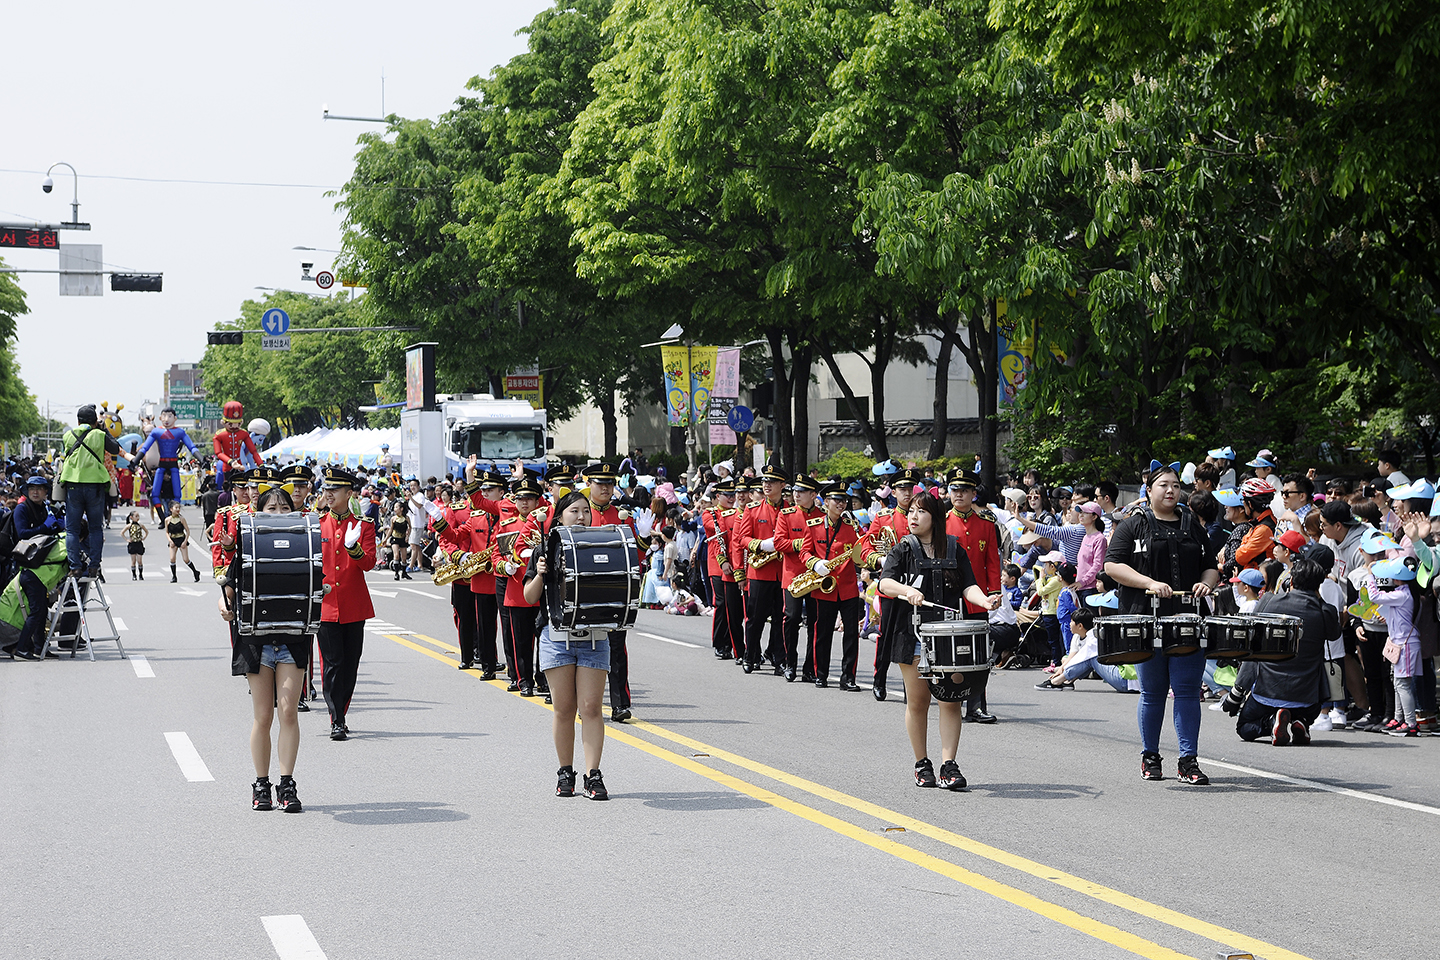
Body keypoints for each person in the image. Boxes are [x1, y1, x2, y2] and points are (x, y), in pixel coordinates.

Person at [1104, 462, 1220, 784]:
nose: (1171, 491)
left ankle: (1188, 761)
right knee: (1153, 692)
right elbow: (1112, 565)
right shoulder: (1132, 525)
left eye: (1175, 486)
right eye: (1163, 485)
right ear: (1149, 490)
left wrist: (1206, 584)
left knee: (1186, 691)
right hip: (1146, 620)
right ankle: (1150, 756)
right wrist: (1148, 582)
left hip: (1187, 619)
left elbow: (1211, 566)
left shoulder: (1191, 524)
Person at [878, 492, 1002, 790]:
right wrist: (906, 590)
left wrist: (984, 601)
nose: (913, 517)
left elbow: (969, 586)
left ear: (934, 516)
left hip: (948, 637)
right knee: (918, 702)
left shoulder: (955, 549)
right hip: (914, 635)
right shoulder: (903, 548)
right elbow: (884, 582)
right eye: (911, 512)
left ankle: (949, 765)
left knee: (950, 700)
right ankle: (922, 764)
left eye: (921, 512)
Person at [219, 487, 308, 812]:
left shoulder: (304, 544)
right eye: (271, 507)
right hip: (256, 640)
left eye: (284, 507)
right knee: (263, 715)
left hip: (292, 639)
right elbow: (227, 590)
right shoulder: (249, 547)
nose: (279, 512)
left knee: (288, 711)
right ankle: (261, 784)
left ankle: (287, 783)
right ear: (259, 513)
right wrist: (224, 607)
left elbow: (316, 586)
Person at [523, 491, 611, 800]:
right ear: (559, 516)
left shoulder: (601, 545)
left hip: (593, 639)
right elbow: (530, 597)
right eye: (574, 511)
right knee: (564, 709)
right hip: (557, 639)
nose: (581, 516)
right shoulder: (544, 550)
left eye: (585, 511)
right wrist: (542, 574)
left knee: (591, 708)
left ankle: (593, 775)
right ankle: (565, 772)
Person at [1221, 558, 1340, 744]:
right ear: (1319, 584)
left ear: (1290, 581)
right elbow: (1334, 635)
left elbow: (1253, 650)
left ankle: (1271, 722)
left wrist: (1238, 690)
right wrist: (1318, 596)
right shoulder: (1326, 611)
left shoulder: (1268, 601)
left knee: (1244, 727)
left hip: (1268, 690)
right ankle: (1301, 721)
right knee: (1309, 704)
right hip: (1307, 695)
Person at [582, 461, 655, 722]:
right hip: (585, 589)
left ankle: (620, 705)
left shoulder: (622, 515)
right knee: (586, 649)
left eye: (609, 484)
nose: (605, 488)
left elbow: (636, 555)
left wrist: (644, 538)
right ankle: (585, 703)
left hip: (614, 589)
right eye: (600, 483)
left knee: (616, 648)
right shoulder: (579, 512)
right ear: (588, 484)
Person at [316, 467, 376, 741]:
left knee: (351, 664)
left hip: (353, 606)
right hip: (325, 606)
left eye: (334, 490)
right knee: (333, 663)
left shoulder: (363, 526)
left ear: (348, 493)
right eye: (326, 489)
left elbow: (369, 564)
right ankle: (336, 718)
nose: (328, 494)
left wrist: (355, 549)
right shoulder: (315, 524)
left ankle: (341, 710)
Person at [945, 469, 1002, 723]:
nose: (959, 494)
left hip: (978, 598)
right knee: (951, 652)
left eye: (964, 490)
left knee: (978, 654)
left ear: (973, 493)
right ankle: (950, 699)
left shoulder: (986, 524)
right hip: (948, 597)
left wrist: (995, 592)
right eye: (955, 490)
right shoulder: (942, 522)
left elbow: (992, 562)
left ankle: (976, 705)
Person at [860, 467, 918, 699]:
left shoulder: (921, 515)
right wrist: (879, 559)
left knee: (911, 635)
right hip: (891, 583)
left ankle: (909, 687)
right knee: (886, 634)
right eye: (902, 489)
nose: (906, 493)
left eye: (909, 488)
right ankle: (879, 678)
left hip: (915, 584)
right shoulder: (884, 518)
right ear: (893, 492)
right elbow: (865, 547)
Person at [801, 482, 866, 690]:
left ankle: (848, 677)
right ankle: (821, 674)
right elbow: (804, 553)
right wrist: (815, 564)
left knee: (850, 635)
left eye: (844, 500)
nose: (841, 503)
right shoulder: (814, 526)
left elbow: (860, 555)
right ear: (826, 502)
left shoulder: (851, 527)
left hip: (847, 587)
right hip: (823, 587)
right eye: (836, 500)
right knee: (823, 633)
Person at [58, 404, 123, 579]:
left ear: (77, 421)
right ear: (95, 422)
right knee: (95, 528)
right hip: (95, 486)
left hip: (73, 486)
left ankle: (75, 566)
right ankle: (94, 566)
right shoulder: (99, 435)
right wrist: (104, 430)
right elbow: (115, 448)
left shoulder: (67, 435)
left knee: (71, 530)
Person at [737, 464, 789, 673]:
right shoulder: (753, 508)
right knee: (755, 618)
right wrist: (760, 544)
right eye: (765, 481)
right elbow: (742, 538)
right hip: (760, 572)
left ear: (782, 485)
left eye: (772, 481)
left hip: (784, 571)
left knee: (780, 618)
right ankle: (750, 655)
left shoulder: (789, 509)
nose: (766, 485)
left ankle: (778, 657)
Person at [774, 473, 824, 681]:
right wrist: (801, 545)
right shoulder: (786, 515)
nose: (796, 495)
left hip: (815, 576)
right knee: (792, 619)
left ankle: (809, 668)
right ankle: (789, 662)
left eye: (802, 491)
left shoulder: (822, 516)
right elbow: (778, 543)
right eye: (795, 491)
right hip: (793, 576)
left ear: (813, 494)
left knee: (814, 621)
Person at [8, 476, 63, 661]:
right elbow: (23, 534)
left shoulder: (44, 509)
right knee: (37, 610)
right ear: (26, 491)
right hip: (27, 566)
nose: (35, 492)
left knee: (41, 609)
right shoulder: (22, 509)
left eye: (40, 488)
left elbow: (47, 535)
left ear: (46, 492)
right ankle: (22, 649)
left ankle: (40, 648)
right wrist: (45, 527)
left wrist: (55, 526)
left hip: (41, 567)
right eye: (32, 488)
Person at [1035, 608, 1130, 692]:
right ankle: (1067, 681)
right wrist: (1062, 668)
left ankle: (1056, 682)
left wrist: (1062, 672)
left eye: (1071, 621)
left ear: (1080, 625)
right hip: (1125, 681)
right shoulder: (1089, 635)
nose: (1070, 624)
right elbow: (1072, 656)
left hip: (1124, 681)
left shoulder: (1095, 636)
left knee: (1090, 658)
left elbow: (1081, 658)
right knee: (1067, 659)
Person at [703, 479, 744, 660]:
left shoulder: (737, 513)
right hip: (716, 564)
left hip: (734, 563)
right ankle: (720, 642)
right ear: (717, 496)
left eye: (732, 495)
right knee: (721, 604)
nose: (731, 498)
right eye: (726, 495)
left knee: (734, 607)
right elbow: (718, 528)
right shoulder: (709, 513)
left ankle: (732, 642)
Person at [134, 407, 199, 520]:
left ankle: (175, 516)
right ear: (160, 418)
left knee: (177, 495)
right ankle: (163, 518)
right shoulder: (156, 431)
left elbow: (191, 447)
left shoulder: (180, 432)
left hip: (173, 464)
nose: (166, 419)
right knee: (154, 495)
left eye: (169, 416)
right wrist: (135, 461)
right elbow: (145, 448)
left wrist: (201, 459)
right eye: (164, 416)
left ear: (175, 418)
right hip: (162, 464)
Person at [211, 400, 260, 489]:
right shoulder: (219, 435)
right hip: (227, 465)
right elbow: (218, 453)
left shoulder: (243, 433)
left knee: (242, 487)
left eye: (237, 424)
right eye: (230, 424)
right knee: (228, 486)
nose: (234, 427)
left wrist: (260, 464)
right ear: (224, 422)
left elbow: (253, 450)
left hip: (240, 464)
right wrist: (231, 462)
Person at [164, 501, 202, 582]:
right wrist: (170, 541)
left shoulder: (182, 519)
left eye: (179, 508)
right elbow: (167, 532)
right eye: (176, 508)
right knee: (172, 558)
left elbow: (187, 531)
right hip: (173, 540)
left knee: (186, 559)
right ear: (171, 509)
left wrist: (185, 541)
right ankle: (174, 576)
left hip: (181, 539)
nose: (178, 509)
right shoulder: (167, 520)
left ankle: (195, 572)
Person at [387, 501, 412, 579]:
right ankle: (396, 573)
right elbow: (391, 529)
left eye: (396, 507)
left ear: (401, 509)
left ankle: (404, 573)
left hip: (403, 538)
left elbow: (410, 527)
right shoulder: (393, 518)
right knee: (396, 555)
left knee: (404, 557)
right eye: (394, 507)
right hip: (395, 538)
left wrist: (408, 535)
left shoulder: (406, 518)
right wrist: (385, 539)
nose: (395, 509)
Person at [122, 510, 148, 580]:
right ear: (131, 517)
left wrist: (144, 537)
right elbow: (122, 533)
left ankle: (140, 574)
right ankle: (134, 575)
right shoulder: (129, 526)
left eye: (138, 516)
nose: (137, 518)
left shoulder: (141, 525)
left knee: (139, 560)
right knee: (133, 561)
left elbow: (146, 531)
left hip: (139, 543)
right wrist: (127, 539)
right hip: (132, 544)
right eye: (136, 516)